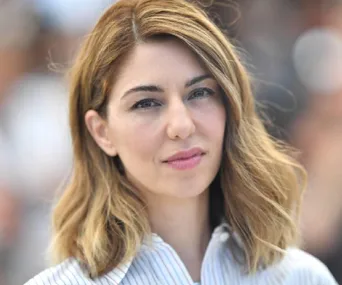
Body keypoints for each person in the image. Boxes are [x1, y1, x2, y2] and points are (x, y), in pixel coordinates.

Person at [25, 0, 338, 284]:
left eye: (200, 93)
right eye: (147, 103)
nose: (182, 125)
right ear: (101, 132)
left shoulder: (301, 277)